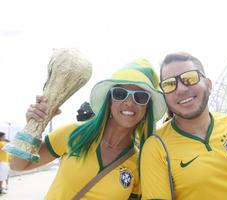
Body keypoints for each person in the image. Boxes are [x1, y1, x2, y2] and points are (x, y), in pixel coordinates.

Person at [9, 59, 167, 199]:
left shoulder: (140, 162)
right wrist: (35, 125)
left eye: (140, 97)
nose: (129, 103)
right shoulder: (74, 133)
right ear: (109, 100)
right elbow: (19, 166)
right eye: (120, 93)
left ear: (147, 107)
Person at [140, 52, 227, 200]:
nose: (180, 89)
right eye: (169, 84)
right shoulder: (156, 146)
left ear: (208, 85)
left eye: (189, 78)